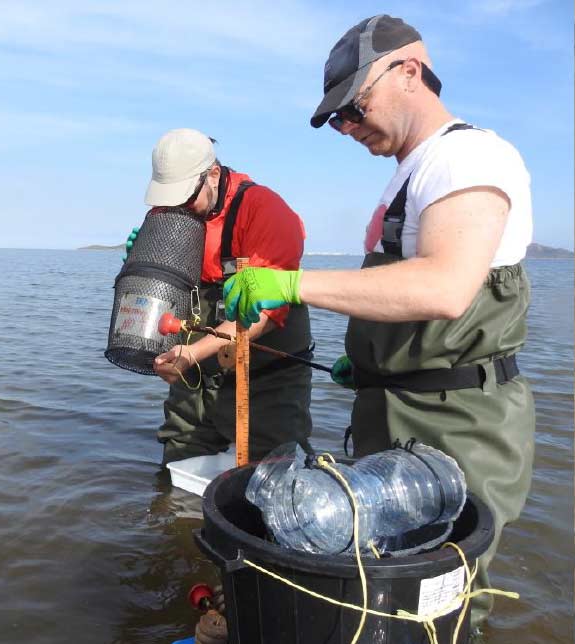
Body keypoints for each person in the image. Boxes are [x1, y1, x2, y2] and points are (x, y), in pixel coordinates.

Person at [222, 15, 534, 630]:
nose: (347, 127)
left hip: (454, 426)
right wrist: (372, 363)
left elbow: (445, 287)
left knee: (440, 599)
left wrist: (291, 284)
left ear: (409, 72)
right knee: (379, 594)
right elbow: (406, 296)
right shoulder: (414, 171)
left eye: (354, 107)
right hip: (399, 412)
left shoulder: (468, 156)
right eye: (338, 119)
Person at [141, 128, 313, 465]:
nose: (179, 208)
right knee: (178, 457)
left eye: (186, 198)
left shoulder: (266, 211)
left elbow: (263, 316)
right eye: (170, 199)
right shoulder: (168, 213)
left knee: (271, 469)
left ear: (213, 175)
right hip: (195, 372)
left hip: (268, 377)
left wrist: (192, 353)